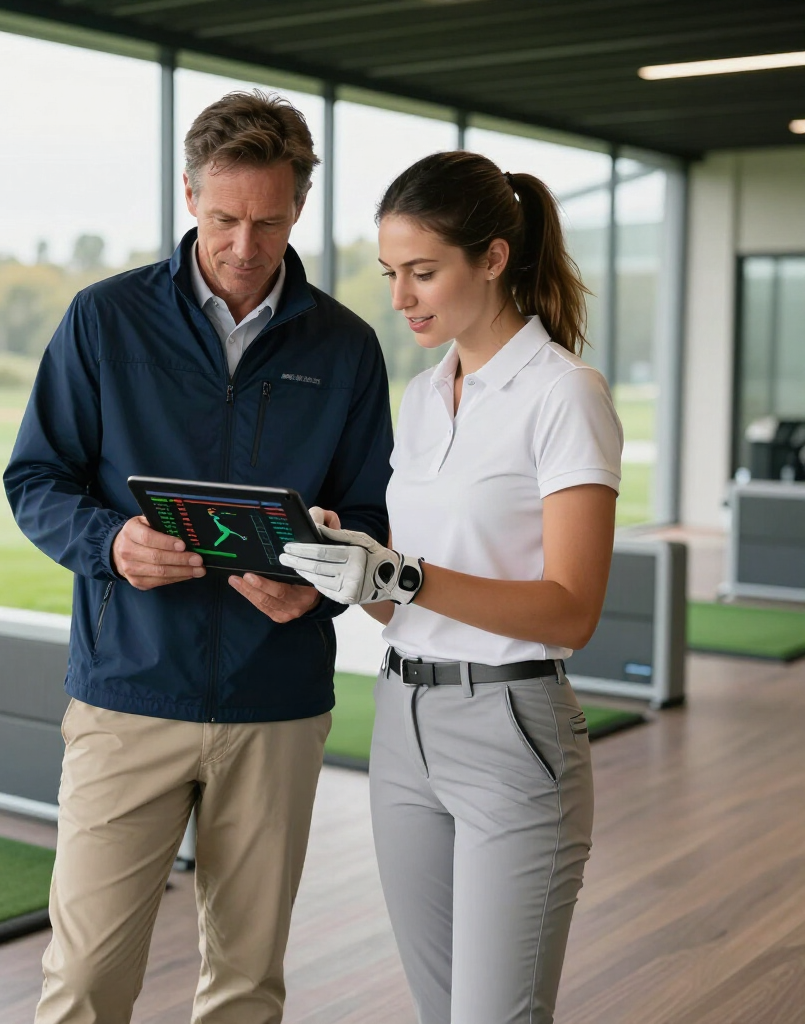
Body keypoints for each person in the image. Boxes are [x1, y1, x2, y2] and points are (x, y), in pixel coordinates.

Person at [4, 91, 394, 1024]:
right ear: (188, 195)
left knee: (248, 985)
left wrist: (323, 592)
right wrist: (110, 543)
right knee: (87, 978)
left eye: (267, 220)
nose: (245, 245)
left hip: (276, 704)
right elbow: (36, 479)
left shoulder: (347, 349)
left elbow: (371, 516)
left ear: (299, 206)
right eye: (223, 218)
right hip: (127, 695)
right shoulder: (103, 322)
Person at [281, 151, 623, 1024]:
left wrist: (402, 572)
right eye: (393, 273)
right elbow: (407, 597)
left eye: (424, 272)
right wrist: (354, 570)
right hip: (402, 724)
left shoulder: (564, 395)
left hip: (512, 730)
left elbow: (572, 609)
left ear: (495, 258)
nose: (401, 298)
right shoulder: (427, 394)